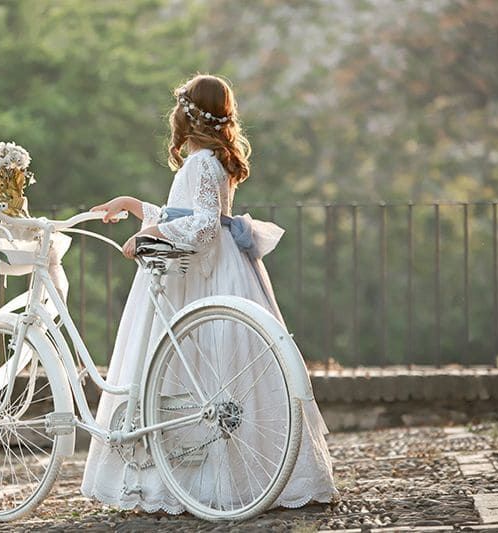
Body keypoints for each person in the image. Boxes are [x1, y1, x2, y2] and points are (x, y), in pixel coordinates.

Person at [82, 74, 339, 514]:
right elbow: (188, 213)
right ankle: (212, 476)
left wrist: (151, 234)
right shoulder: (207, 160)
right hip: (214, 269)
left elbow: (202, 227)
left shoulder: (201, 163)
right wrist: (132, 206)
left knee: (202, 371)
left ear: (186, 114)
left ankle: (208, 485)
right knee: (210, 369)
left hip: (203, 274)